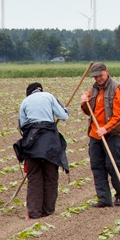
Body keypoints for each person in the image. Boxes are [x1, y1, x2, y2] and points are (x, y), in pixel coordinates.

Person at [14, 82, 70, 219]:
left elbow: (21, 127)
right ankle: (48, 211)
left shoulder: (25, 102)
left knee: (34, 178)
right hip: (50, 143)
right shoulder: (49, 97)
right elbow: (63, 116)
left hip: (32, 145)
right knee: (51, 177)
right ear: (40, 90)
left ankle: (33, 213)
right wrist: (65, 110)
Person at [80, 62, 120, 208]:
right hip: (95, 135)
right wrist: (84, 104)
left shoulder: (117, 89)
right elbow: (89, 112)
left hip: (112, 134)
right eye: (95, 76)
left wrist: (106, 128)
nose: (98, 79)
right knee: (97, 166)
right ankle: (104, 199)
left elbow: (119, 116)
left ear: (106, 72)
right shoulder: (93, 90)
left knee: (112, 165)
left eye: (100, 75)